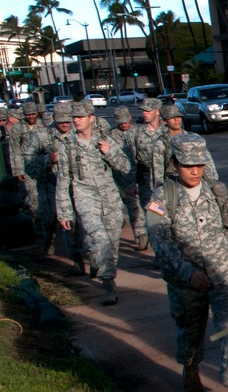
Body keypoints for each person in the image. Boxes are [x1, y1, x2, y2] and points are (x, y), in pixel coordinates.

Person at [145, 134, 228, 392]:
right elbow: (161, 243)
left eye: (200, 165)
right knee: (190, 332)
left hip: (223, 271)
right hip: (186, 279)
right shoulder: (161, 197)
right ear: (174, 163)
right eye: (187, 165)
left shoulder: (217, 191)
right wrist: (189, 274)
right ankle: (190, 368)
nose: (194, 171)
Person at [55, 102, 130, 305]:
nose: (76, 119)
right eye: (74, 117)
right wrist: (64, 211)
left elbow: (125, 167)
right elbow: (63, 180)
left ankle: (102, 266)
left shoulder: (105, 141)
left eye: (80, 116)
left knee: (112, 243)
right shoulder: (67, 147)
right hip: (85, 197)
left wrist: (110, 153)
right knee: (100, 239)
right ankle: (109, 286)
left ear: (91, 118)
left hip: (110, 199)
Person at [24, 102, 87, 272]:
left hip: (80, 187)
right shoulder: (42, 136)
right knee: (52, 219)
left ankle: (85, 257)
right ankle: (50, 239)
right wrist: (48, 160)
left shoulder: (80, 133)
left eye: (68, 121)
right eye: (61, 122)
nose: (65, 125)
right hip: (52, 187)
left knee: (86, 222)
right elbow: (29, 165)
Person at [122, 97, 166, 251]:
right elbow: (130, 160)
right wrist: (131, 183)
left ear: (157, 111)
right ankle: (158, 252)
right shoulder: (136, 132)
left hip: (166, 181)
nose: (145, 113)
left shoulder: (167, 131)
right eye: (143, 110)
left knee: (168, 216)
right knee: (153, 216)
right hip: (146, 181)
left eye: (148, 110)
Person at [8, 101, 48, 249]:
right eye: (28, 114)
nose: (31, 117)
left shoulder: (42, 126)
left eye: (33, 114)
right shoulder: (18, 128)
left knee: (43, 197)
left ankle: (45, 227)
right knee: (31, 198)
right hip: (26, 167)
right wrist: (18, 170)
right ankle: (34, 227)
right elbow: (14, 150)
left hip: (42, 166)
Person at [151, 104, 218, 184]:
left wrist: (213, 181)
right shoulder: (161, 142)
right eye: (172, 118)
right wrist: (159, 189)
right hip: (174, 183)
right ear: (164, 121)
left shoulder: (194, 137)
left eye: (179, 117)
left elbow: (207, 160)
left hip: (197, 179)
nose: (176, 120)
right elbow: (157, 169)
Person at [108, 106, 145, 247]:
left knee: (143, 205)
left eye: (125, 120)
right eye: (120, 122)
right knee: (130, 205)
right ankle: (139, 233)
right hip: (121, 176)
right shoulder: (111, 135)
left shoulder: (139, 131)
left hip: (140, 174)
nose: (123, 124)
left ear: (130, 117)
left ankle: (143, 232)